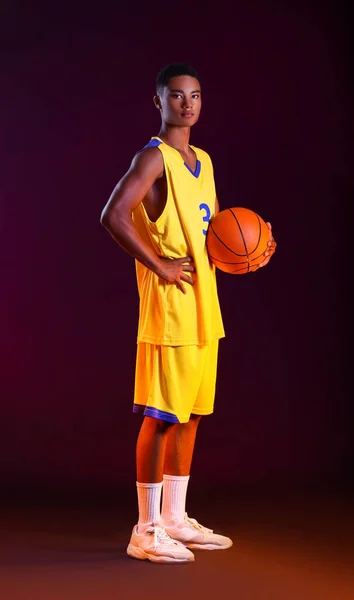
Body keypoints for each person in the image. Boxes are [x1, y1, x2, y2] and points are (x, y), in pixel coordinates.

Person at [100, 63, 276, 564]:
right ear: (157, 102)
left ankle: (175, 517)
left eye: (194, 95)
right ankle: (146, 529)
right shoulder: (151, 159)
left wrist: (250, 251)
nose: (187, 104)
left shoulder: (204, 159)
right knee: (161, 417)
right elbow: (112, 214)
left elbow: (217, 233)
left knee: (192, 416)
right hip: (170, 311)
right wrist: (159, 265)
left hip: (205, 307)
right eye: (176, 96)